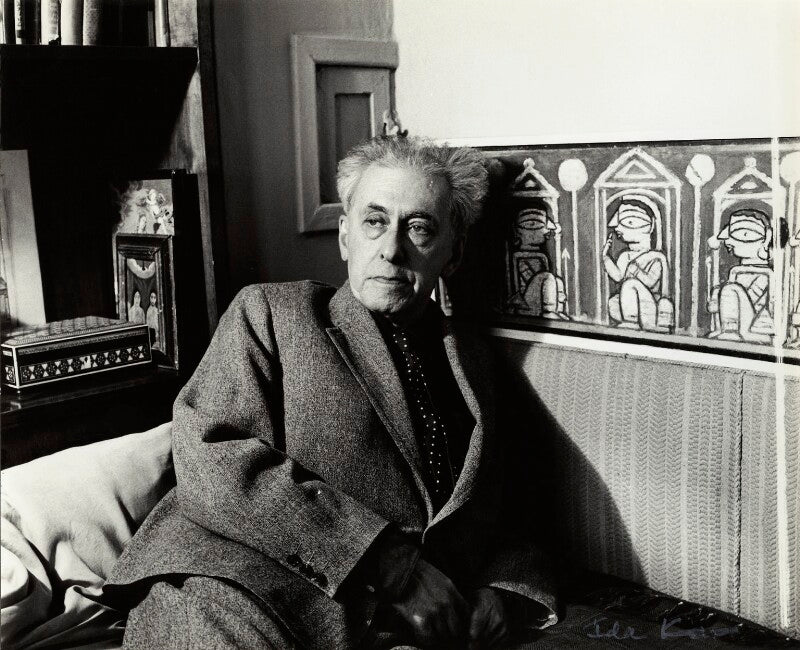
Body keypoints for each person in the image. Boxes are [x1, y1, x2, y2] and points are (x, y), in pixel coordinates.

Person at [105, 136, 557, 649]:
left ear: (453, 254)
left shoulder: (478, 365)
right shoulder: (270, 315)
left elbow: (518, 504)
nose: (391, 248)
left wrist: (506, 591)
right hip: (237, 589)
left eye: (419, 228)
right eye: (374, 221)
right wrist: (391, 565)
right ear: (345, 237)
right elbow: (211, 460)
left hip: (385, 627)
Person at [602, 199, 672, 332]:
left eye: (629, 222)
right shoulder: (625, 256)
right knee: (614, 301)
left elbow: (650, 282)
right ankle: (628, 320)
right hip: (629, 306)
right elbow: (618, 276)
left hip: (649, 307)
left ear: (650, 227)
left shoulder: (656, 257)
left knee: (630, 284)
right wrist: (606, 258)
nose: (618, 228)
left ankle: (632, 321)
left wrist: (635, 270)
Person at [707, 208, 774, 342]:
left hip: (754, 320)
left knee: (729, 289)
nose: (729, 241)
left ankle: (731, 330)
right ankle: (725, 328)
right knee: (722, 290)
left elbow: (753, 300)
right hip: (741, 316)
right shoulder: (737, 271)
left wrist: (728, 295)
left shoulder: (765, 274)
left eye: (743, 234)